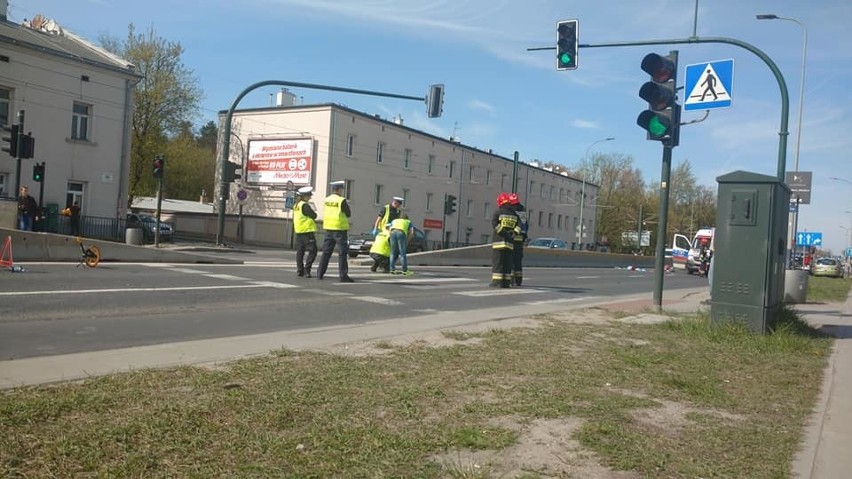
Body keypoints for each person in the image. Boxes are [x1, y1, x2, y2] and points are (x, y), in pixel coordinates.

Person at [317, 180, 354, 282]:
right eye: (342, 189)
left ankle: (320, 273)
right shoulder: (341, 200)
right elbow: (348, 213)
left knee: (326, 252)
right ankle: (343, 275)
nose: (342, 191)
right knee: (342, 253)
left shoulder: (327, 199)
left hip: (329, 229)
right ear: (339, 189)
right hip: (339, 230)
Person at [490, 192, 521, 288]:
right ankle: (506, 282)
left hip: (499, 242)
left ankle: (497, 282)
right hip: (510, 243)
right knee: (508, 263)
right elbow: (519, 227)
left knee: (498, 263)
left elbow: (495, 225)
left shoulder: (498, 213)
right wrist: (512, 234)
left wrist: (504, 233)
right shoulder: (515, 215)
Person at [293, 186, 318, 278]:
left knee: (300, 252)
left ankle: (300, 270)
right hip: (307, 231)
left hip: (299, 231)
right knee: (313, 251)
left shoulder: (296, 205)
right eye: (309, 196)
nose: (310, 197)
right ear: (305, 196)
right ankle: (307, 270)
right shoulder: (305, 205)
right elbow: (314, 215)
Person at [508, 193, 528, 286]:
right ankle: (518, 280)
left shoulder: (510, 210)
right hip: (520, 239)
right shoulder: (522, 209)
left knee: (511, 259)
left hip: (512, 237)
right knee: (518, 260)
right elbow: (525, 226)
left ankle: (512, 279)